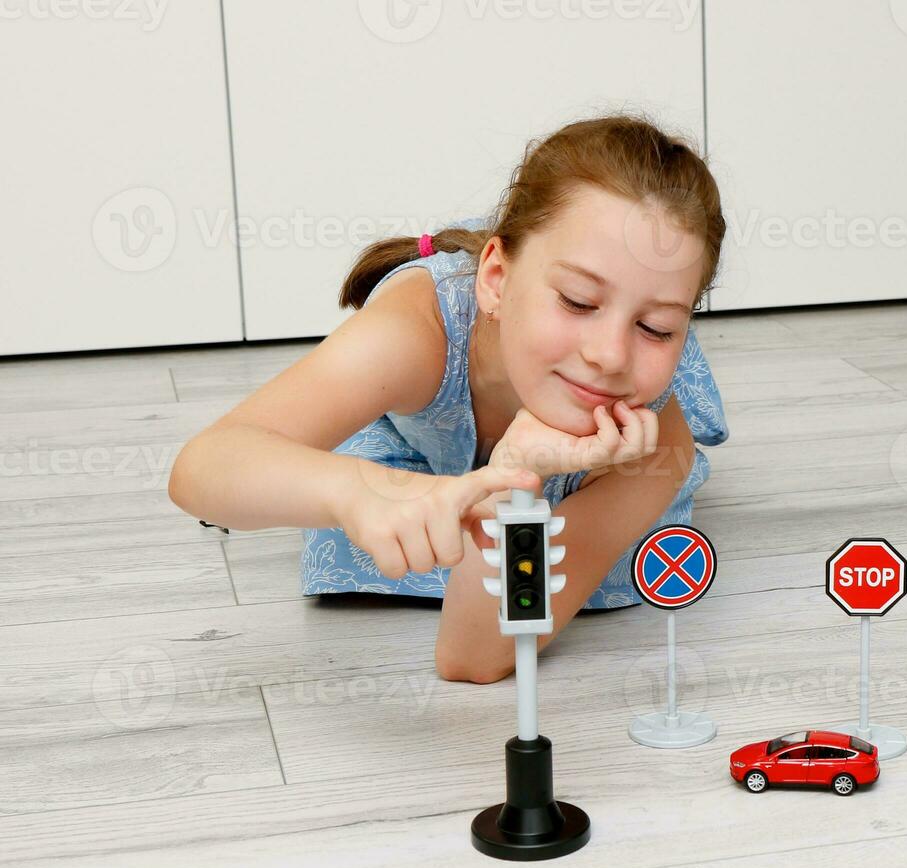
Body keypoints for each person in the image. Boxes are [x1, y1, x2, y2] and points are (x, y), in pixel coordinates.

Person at [169, 113, 729, 683]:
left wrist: (514, 477)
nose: (609, 355)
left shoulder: (654, 437)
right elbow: (202, 468)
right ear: (495, 278)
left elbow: (475, 655)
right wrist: (357, 492)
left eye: (657, 328)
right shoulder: (415, 333)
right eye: (579, 301)